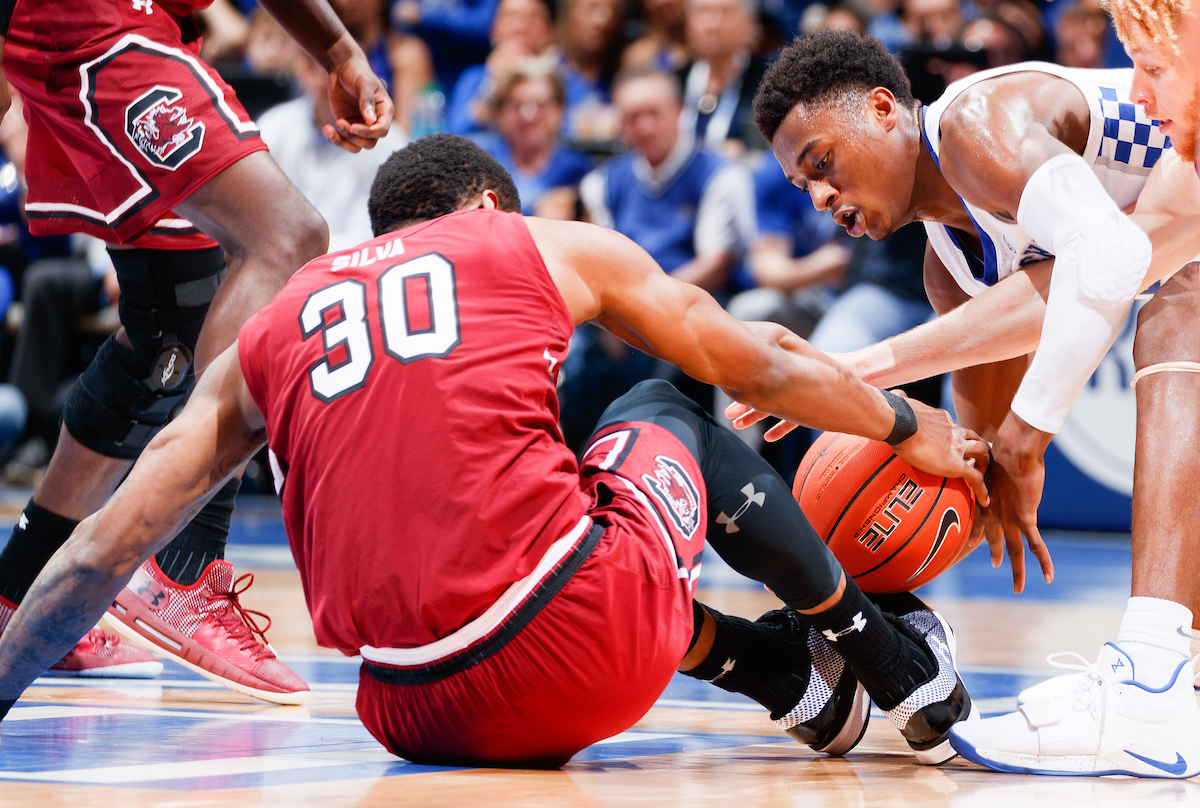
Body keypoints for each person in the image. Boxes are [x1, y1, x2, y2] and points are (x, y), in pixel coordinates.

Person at [0, 133, 989, 768]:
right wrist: (907, 424)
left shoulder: (277, 324)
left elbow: (100, 548)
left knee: (549, 516)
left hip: (405, 710)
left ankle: (779, 672)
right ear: (486, 210)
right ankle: (893, 660)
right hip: (583, 654)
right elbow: (760, 367)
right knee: (662, 401)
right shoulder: (529, 245)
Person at [738, 29, 1200, 775]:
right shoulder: (950, 268)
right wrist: (864, 600)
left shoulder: (976, 124)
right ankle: (1180, 676)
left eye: (822, 162)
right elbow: (979, 433)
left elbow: (1112, 257)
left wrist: (1028, 435)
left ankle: (1151, 679)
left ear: (885, 110)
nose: (821, 196)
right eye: (803, 187)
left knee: (1183, 306)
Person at [0, 0, 393, 702]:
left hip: (101, 37)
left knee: (170, 323)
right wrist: (335, 50)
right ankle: (183, 564)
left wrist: (335, 50)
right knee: (286, 236)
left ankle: (17, 588)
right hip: (95, 28)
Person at [258, 50, 410, 250]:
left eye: (355, 77)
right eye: (332, 75)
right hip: (279, 263)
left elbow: (377, 238)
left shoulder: (391, 142)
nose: (347, 88)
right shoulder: (272, 126)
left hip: (355, 268)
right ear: (306, 73)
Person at [472, 61, 594, 218]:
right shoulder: (479, 161)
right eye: (517, 105)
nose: (528, 116)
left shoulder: (576, 171)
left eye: (541, 105)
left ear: (559, 111)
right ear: (500, 112)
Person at [677, 0, 769, 154]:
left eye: (725, 12)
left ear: (751, 23)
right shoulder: (673, 83)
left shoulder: (769, 84)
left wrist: (747, 155)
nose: (712, 25)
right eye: (702, 12)